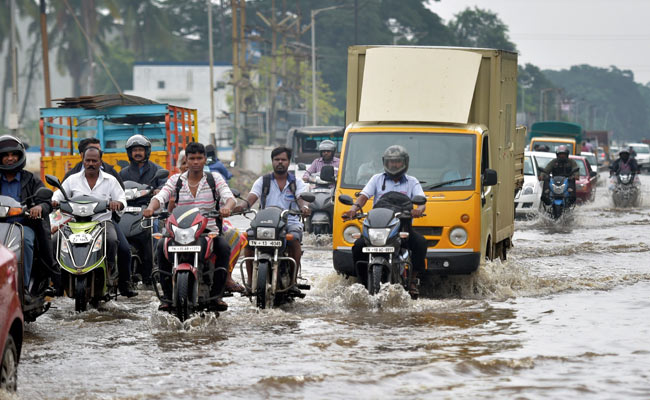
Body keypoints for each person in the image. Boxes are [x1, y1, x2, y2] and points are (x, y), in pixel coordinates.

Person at [143, 142, 237, 311]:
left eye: (199, 158)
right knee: (160, 247)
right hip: (179, 232)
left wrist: (227, 208)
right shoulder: (175, 180)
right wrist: (151, 208)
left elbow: (229, 197)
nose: (195, 162)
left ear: (204, 160)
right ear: (186, 159)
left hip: (208, 232)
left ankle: (217, 295)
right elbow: (162, 196)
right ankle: (166, 296)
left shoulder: (214, 179)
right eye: (192, 158)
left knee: (224, 247)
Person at [52, 147, 137, 297]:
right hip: (74, 223)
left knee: (117, 244)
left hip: (102, 223)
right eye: (88, 160)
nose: (90, 163)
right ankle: (57, 281)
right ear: (83, 161)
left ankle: (116, 277)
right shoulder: (72, 180)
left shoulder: (110, 180)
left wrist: (117, 203)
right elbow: (59, 194)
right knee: (54, 241)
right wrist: (54, 201)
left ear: (100, 162)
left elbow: (122, 198)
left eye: (94, 161)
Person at [342, 145, 427, 296]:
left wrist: (418, 210)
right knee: (357, 246)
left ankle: (413, 280)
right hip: (378, 228)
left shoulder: (412, 182)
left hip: (402, 227)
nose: (394, 165)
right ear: (385, 163)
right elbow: (364, 196)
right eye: (390, 162)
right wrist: (353, 209)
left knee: (420, 243)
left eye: (397, 162)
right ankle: (361, 282)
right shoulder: (376, 179)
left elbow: (421, 202)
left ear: (404, 163)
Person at [234, 146, 310, 290]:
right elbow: (250, 199)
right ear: (272, 161)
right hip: (266, 224)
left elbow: (302, 199)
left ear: (289, 162)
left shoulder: (296, 183)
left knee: (294, 239)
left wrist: (304, 208)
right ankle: (250, 282)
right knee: (249, 240)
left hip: (290, 222)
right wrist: (241, 206)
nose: (280, 162)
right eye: (276, 159)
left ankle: (293, 281)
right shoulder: (263, 181)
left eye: (283, 159)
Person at [0, 136, 57, 301]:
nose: (10, 158)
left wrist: (38, 207)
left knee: (26, 242)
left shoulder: (31, 179)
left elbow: (46, 201)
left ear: (19, 156)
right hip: (1, 227)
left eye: (13, 154)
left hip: (22, 227)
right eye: (5, 155)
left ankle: (22, 287)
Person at [118, 134, 166, 285]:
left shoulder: (157, 170)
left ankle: (154, 265)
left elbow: (165, 186)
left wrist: (159, 191)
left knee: (155, 228)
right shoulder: (123, 173)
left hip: (149, 210)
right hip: (127, 210)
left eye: (140, 149)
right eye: (134, 150)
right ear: (129, 153)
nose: (137, 153)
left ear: (147, 151)